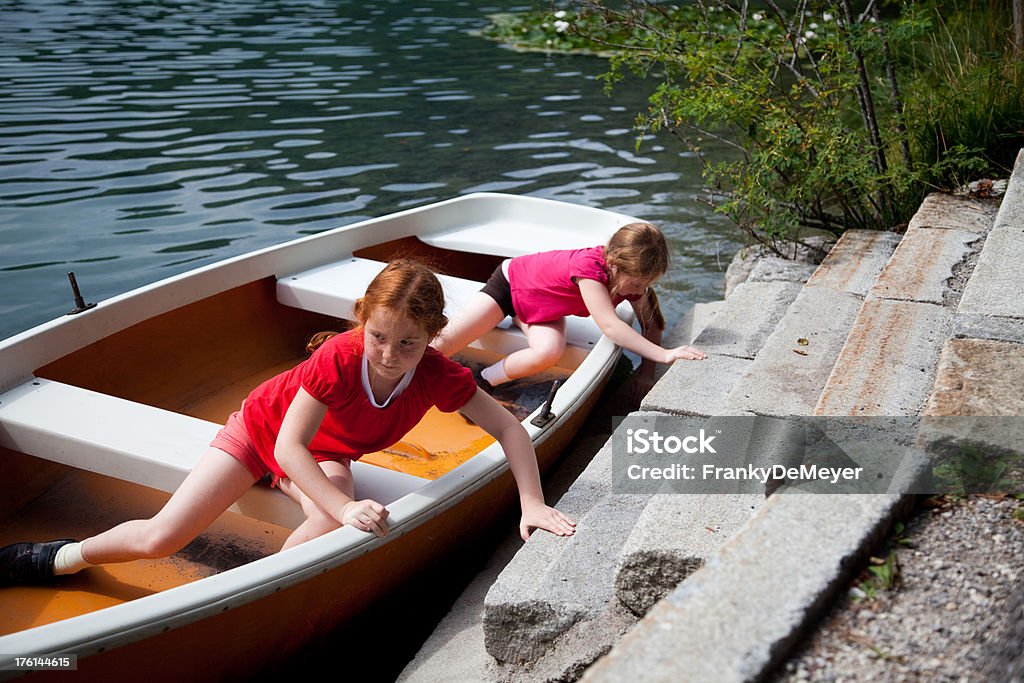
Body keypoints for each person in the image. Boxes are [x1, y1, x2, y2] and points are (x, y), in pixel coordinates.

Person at [0, 260, 575, 586]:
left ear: (432, 337)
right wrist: (344, 506)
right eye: (378, 336)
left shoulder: (436, 374)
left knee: (331, 509)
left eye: (408, 342)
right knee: (162, 537)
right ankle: (57, 557)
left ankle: (259, 589)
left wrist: (531, 502)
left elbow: (507, 430)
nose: (389, 353)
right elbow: (287, 442)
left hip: (325, 455)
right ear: (360, 323)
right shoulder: (338, 359)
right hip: (261, 436)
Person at [433, 222, 707, 400]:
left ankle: (484, 381)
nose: (639, 290)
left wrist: (647, 373)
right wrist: (664, 354)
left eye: (648, 284)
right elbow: (610, 326)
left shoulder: (635, 281)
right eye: (636, 284)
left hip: (542, 308)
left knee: (549, 351)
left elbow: (653, 325)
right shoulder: (589, 270)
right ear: (613, 263)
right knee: (443, 345)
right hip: (509, 286)